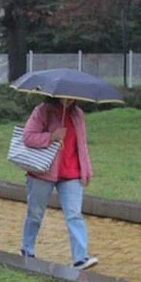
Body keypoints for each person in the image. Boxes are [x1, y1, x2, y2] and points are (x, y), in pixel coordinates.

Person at [20, 97, 98, 270]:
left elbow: (82, 145)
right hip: (42, 172)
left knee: (74, 215)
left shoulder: (78, 114)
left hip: (71, 173)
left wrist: (86, 169)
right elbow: (28, 137)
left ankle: (80, 259)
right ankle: (27, 250)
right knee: (35, 214)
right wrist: (52, 137)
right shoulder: (42, 111)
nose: (69, 98)